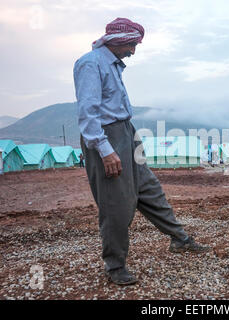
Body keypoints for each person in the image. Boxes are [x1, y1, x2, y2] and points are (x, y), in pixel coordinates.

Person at [73, 17, 210, 286]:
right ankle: (114, 266)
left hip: (126, 132)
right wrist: (105, 149)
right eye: (132, 45)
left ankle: (179, 239)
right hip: (107, 136)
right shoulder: (91, 63)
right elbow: (87, 113)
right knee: (116, 205)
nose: (133, 51)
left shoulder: (112, 65)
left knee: (149, 189)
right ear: (120, 40)